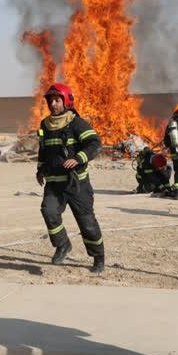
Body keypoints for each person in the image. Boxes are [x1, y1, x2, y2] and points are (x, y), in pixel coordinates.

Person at [36, 83, 105, 273]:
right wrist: (40, 170)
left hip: (77, 184)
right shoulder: (45, 124)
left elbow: (95, 143)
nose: (54, 104)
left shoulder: (76, 123)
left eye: (58, 100)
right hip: (54, 184)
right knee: (49, 212)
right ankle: (63, 244)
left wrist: (78, 158)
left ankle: (98, 257)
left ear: (66, 101)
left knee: (87, 224)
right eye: (51, 101)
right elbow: (44, 150)